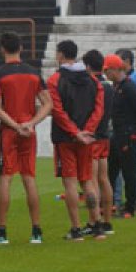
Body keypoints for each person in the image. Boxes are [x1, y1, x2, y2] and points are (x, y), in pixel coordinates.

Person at [0, 32, 52, 245]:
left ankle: (2, 231)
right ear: (21, 48)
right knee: (29, 178)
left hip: (9, 131)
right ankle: (36, 230)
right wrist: (31, 123)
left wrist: (15, 126)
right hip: (28, 131)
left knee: (5, 178)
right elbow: (48, 104)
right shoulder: (33, 73)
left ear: (2, 49)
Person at [47, 40, 104, 241]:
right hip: (86, 139)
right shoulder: (93, 81)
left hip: (65, 138)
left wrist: (74, 132)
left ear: (61, 55)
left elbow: (57, 110)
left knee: (69, 182)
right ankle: (97, 225)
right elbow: (99, 109)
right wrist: (87, 131)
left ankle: (76, 229)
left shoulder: (55, 80)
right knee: (87, 181)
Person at [104, 53, 136, 220]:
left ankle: (130, 207)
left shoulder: (129, 88)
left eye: (107, 71)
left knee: (129, 172)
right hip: (118, 135)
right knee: (112, 170)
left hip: (128, 136)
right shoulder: (118, 87)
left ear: (116, 69)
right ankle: (113, 203)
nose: (105, 75)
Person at [84, 50, 115, 236]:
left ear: (88, 66)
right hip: (105, 135)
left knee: (92, 180)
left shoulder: (91, 85)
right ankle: (107, 222)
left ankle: (94, 221)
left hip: (93, 136)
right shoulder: (109, 86)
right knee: (105, 179)